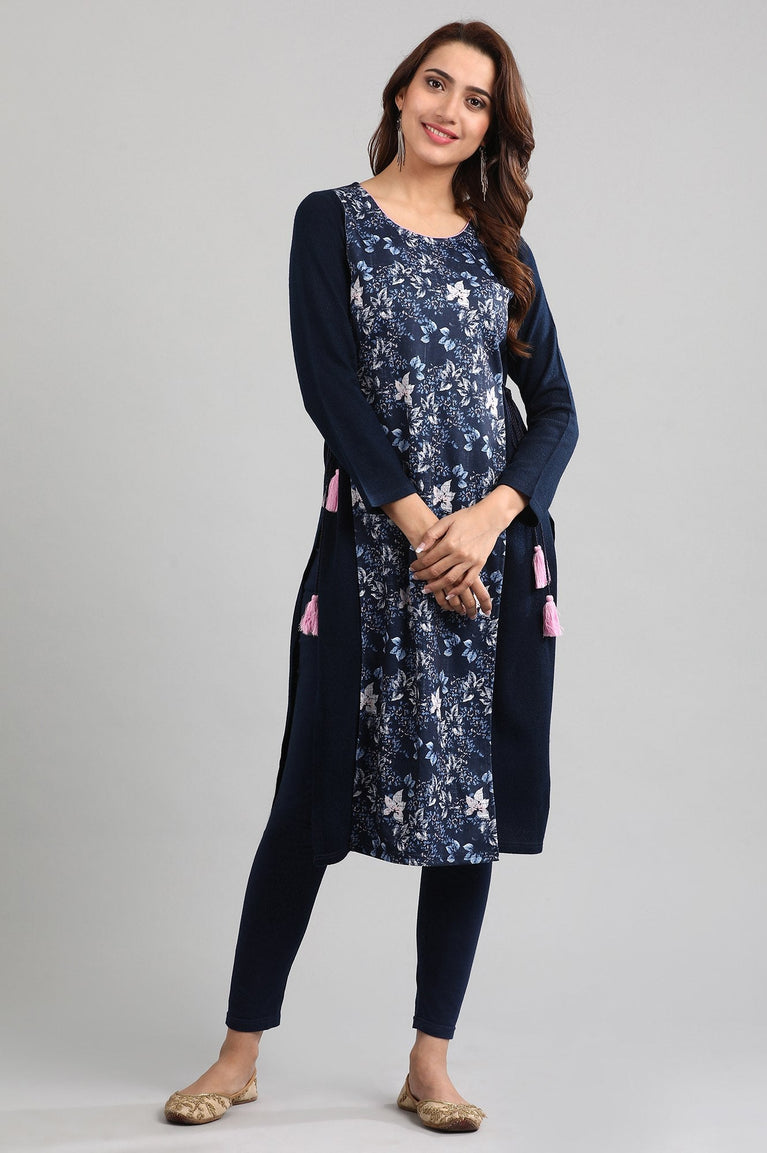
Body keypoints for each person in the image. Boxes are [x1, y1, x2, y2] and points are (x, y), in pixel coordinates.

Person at [164, 19, 578, 1135]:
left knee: (468, 813)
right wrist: (420, 529)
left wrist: (486, 523)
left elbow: (555, 411)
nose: (450, 110)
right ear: (400, 94)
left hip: (486, 575)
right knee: (307, 802)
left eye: (476, 100)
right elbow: (329, 386)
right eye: (436, 84)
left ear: (491, 128)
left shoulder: (502, 248)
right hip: (368, 560)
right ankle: (239, 1052)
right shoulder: (330, 220)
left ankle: (428, 1063)